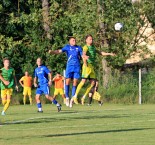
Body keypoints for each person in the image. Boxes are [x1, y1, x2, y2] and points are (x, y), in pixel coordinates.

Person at [72, 34, 115, 106]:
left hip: (92, 66)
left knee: (93, 83)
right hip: (87, 66)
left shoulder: (93, 47)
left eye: (92, 39)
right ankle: (75, 96)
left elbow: (101, 53)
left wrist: (110, 54)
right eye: (90, 39)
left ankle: (83, 97)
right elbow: (83, 54)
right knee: (83, 81)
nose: (91, 40)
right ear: (86, 40)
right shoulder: (86, 47)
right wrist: (85, 60)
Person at [49, 37, 85, 107]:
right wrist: (52, 52)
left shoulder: (79, 48)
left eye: (75, 40)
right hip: (69, 67)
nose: (74, 41)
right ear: (70, 42)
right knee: (67, 81)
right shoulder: (67, 47)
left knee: (75, 82)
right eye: (73, 40)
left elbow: (82, 55)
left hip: (77, 67)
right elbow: (59, 51)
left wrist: (85, 56)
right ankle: (67, 98)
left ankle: (72, 99)